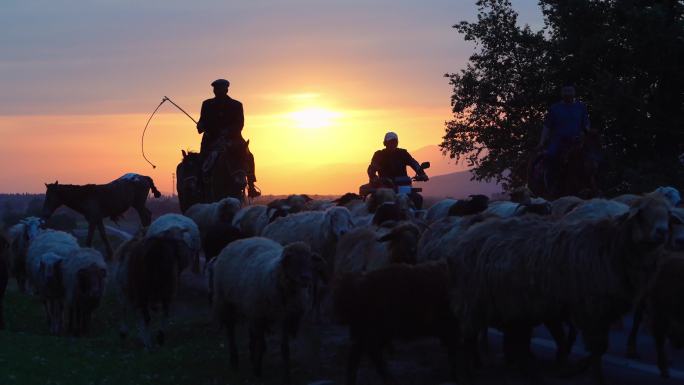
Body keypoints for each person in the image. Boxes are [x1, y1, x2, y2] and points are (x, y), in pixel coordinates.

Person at [196, 79, 260, 198]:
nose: (216, 91)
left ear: (226, 90)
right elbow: (202, 120)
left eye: (219, 89)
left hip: (233, 139)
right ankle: (200, 185)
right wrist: (200, 125)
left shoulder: (236, 105)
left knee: (248, 156)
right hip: (211, 139)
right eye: (215, 89)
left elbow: (239, 124)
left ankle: (251, 185)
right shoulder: (206, 104)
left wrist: (227, 132)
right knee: (202, 159)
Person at [537, 85, 591, 195]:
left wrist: (585, 136)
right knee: (551, 156)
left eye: (570, 96)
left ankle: (593, 185)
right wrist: (541, 142)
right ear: (563, 96)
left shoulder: (581, 107)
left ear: (573, 95)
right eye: (566, 96)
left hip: (577, 141)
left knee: (591, 158)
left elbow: (586, 125)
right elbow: (547, 127)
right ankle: (551, 184)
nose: (568, 98)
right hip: (558, 141)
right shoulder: (555, 108)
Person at [365, 131, 429, 208]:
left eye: (394, 142)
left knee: (417, 198)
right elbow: (372, 168)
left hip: (403, 186)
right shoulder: (379, 155)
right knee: (375, 203)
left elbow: (414, 163)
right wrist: (374, 178)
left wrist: (422, 174)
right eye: (390, 142)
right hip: (386, 188)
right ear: (385, 143)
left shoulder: (403, 153)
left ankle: (416, 217)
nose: (393, 144)